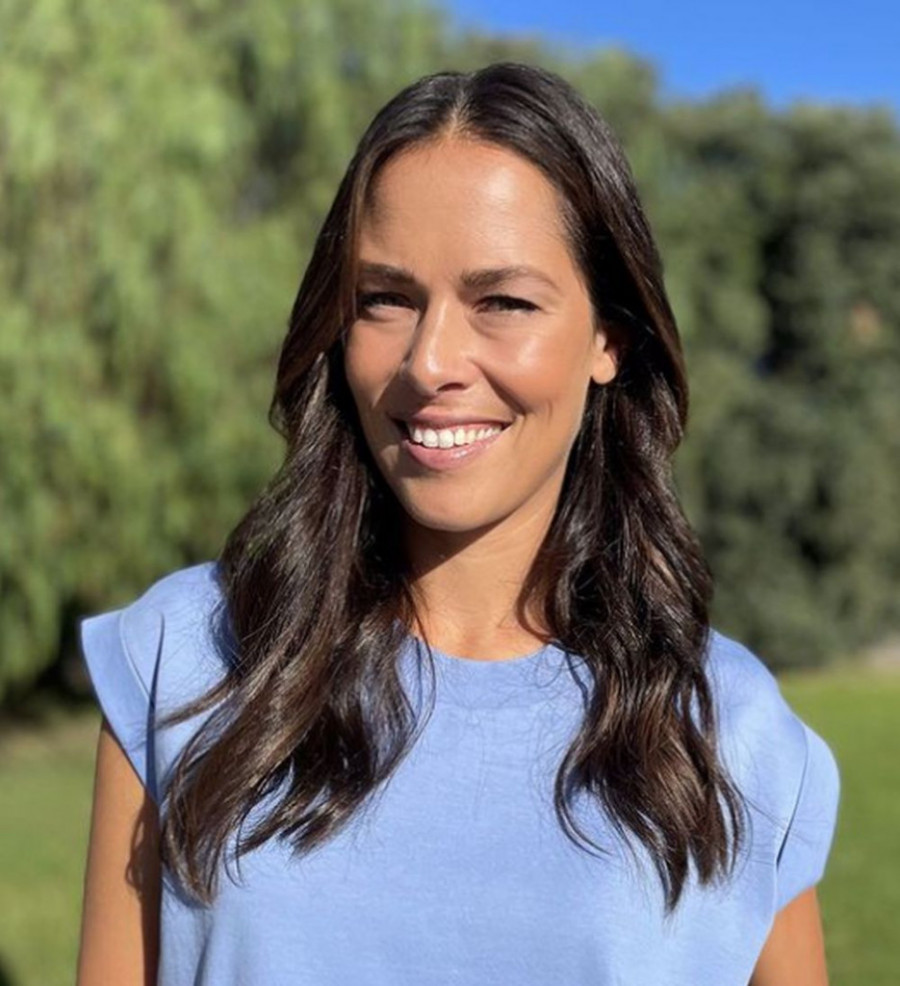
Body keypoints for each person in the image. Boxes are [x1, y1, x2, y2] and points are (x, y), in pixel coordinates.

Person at [76, 62, 841, 986]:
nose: (429, 361)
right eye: (386, 298)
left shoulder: (731, 735)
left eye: (503, 302)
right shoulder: (188, 662)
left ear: (609, 339)